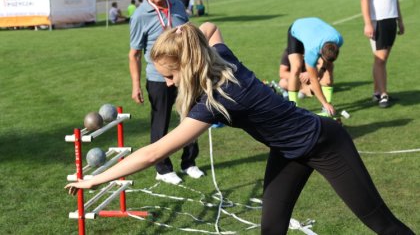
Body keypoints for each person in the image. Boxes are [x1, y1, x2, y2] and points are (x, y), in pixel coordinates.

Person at [66, 22, 414, 235]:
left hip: (325, 144)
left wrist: (96, 179)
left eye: (170, 76)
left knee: (380, 224)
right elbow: (210, 29)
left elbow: (155, 152)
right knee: (272, 229)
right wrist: (187, 35)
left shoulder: (218, 99)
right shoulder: (221, 57)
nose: (169, 84)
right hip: (289, 151)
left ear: (187, 67)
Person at [128, 0, 203, 185]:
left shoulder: (176, 5)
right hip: (158, 79)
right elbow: (134, 54)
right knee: (161, 122)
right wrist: (136, 85)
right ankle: (162, 169)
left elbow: (188, 35)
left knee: (192, 117)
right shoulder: (140, 15)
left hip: (184, 75)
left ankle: (189, 162)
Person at [286, 17, 343, 116]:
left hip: (313, 28)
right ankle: (293, 108)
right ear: (320, 52)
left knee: (330, 67)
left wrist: (322, 70)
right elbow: (314, 80)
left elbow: (328, 62)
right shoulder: (312, 51)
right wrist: (323, 102)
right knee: (296, 67)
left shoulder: (338, 39)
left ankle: (327, 107)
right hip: (297, 29)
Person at [361, 0, 405, 108]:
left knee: (382, 60)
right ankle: (383, 95)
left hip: (391, 19)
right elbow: (364, 0)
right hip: (378, 20)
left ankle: (377, 92)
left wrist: (400, 20)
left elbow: (395, 1)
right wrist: (367, 23)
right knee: (380, 58)